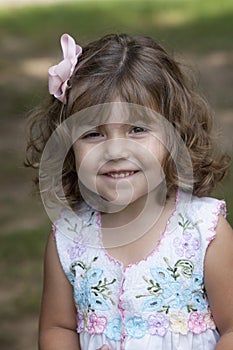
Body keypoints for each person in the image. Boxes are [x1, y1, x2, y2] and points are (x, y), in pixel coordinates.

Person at [25, 33, 233, 350]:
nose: (115, 150)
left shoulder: (204, 231)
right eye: (93, 133)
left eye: (137, 129)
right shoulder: (68, 238)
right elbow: (57, 328)